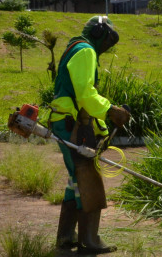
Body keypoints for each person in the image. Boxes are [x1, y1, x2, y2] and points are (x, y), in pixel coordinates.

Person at [49, 16, 130, 254]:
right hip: (71, 123)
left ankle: (66, 237)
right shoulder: (85, 51)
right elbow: (85, 94)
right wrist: (111, 111)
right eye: (108, 39)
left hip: (69, 121)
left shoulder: (75, 48)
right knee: (88, 179)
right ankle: (89, 241)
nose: (107, 45)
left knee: (76, 178)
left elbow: (81, 97)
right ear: (98, 32)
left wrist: (102, 128)